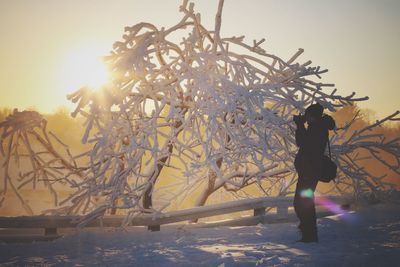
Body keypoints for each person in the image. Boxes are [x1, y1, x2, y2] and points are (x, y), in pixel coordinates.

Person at [293, 103, 335, 242]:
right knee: (304, 202)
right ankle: (309, 234)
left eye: (308, 115)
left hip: (309, 172)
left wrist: (300, 125)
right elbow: (305, 143)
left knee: (302, 203)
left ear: (314, 117)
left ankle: (309, 234)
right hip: (309, 171)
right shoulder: (317, 127)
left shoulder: (317, 129)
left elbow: (303, 143)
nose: (307, 118)